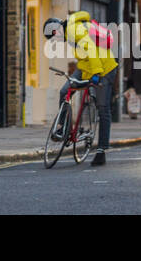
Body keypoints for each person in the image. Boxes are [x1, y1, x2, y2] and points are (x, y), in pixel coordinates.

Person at [45, 12, 119, 166]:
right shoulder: (71, 33)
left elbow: (90, 48)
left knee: (103, 108)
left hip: (104, 67)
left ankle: (101, 150)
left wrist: (97, 74)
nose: (56, 40)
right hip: (86, 66)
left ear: (57, 29)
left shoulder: (73, 30)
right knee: (65, 91)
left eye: (54, 37)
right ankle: (63, 128)